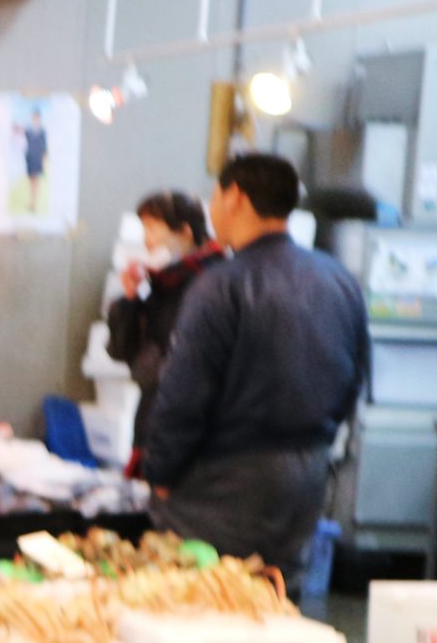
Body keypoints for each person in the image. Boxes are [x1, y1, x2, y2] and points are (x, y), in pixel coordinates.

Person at [143, 154, 369, 584]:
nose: (211, 209)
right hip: (306, 478)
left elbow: (185, 393)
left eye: (214, 196)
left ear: (235, 198)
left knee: (205, 610)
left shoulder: (221, 285)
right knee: (275, 604)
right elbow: (354, 378)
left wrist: (162, 473)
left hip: (224, 486)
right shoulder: (339, 279)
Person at [105, 191, 225, 474]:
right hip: (154, 419)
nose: (147, 240)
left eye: (153, 230)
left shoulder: (214, 281)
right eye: (144, 229)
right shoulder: (164, 282)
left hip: (194, 433)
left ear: (184, 232)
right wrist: (131, 298)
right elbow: (123, 350)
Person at [21, 108, 48, 214]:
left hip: (37, 158)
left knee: (35, 181)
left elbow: (44, 147)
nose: (34, 119)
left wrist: (43, 160)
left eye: (36, 116)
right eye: (33, 117)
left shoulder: (42, 131)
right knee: (31, 180)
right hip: (30, 157)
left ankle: (34, 203)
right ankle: (32, 203)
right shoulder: (29, 130)